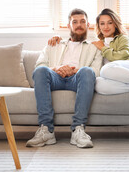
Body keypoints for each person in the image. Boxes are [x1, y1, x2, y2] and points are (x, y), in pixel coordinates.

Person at [48, 8, 129, 95]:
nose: (106, 27)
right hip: (118, 77)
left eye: (109, 23)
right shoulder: (96, 43)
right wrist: (60, 39)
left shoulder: (122, 38)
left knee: (106, 69)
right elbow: (76, 44)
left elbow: (121, 57)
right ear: (98, 26)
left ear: (115, 24)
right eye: (102, 23)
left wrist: (103, 48)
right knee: (98, 85)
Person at [26, 8, 102, 149]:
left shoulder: (94, 47)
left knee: (87, 71)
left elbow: (96, 71)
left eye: (82, 21)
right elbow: (39, 65)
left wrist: (72, 71)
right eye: (75, 22)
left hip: (78, 79)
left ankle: (78, 130)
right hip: (56, 77)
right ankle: (46, 130)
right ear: (68, 26)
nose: (79, 25)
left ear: (88, 25)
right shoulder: (54, 44)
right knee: (41, 70)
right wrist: (57, 69)